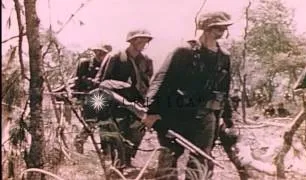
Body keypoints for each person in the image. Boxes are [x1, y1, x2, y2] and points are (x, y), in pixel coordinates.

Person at [142, 11, 248, 180]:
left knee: (201, 159)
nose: (221, 32)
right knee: (169, 158)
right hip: (175, 114)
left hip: (205, 117)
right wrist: (151, 111)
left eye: (223, 28)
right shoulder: (184, 51)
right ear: (206, 28)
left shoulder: (224, 56)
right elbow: (161, 81)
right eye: (217, 28)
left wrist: (228, 120)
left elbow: (224, 90)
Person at [94, 29, 154, 168]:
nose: (143, 43)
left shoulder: (146, 60)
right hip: (115, 102)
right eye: (140, 39)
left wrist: (146, 105)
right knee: (116, 136)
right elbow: (102, 83)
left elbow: (147, 85)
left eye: (146, 40)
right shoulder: (115, 56)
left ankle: (127, 161)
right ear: (132, 41)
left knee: (136, 133)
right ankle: (116, 166)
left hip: (137, 103)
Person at [72, 45, 112, 154]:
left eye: (102, 53)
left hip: (103, 97)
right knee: (92, 122)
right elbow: (78, 81)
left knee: (105, 124)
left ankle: (106, 150)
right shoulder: (86, 64)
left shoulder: (110, 65)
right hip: (89, 97)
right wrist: (77, 98)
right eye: (97, 52)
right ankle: (79, 141)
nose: (99, 55)